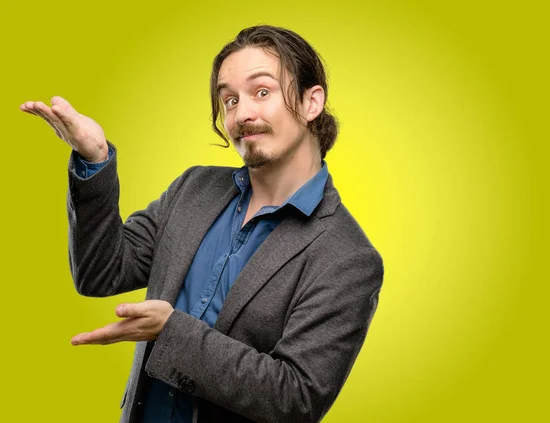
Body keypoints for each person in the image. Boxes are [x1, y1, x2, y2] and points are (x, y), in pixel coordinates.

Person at [20, 25, 384, 423]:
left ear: (312, 102)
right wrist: (95, 158)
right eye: (229, 100)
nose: (242, 114)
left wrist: (171, 331)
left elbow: (295, 398)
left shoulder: (348, 257)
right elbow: (100, 273)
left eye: (262, 92)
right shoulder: (194, 189)